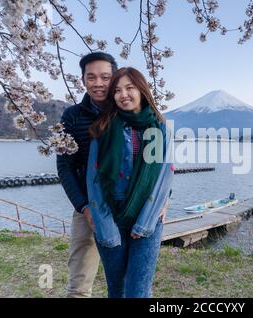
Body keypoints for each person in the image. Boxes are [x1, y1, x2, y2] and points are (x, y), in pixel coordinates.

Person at [87, 67, 173, 298]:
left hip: (147, 215)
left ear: (141, 90)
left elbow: (162, 176)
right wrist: (105, 227)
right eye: (117, 90)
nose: (123, 94)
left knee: (138, 290)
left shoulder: (158, 128)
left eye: (129, 88)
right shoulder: (103, 128)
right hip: (110, 215)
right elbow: (94, 181)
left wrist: (145, 222)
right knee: (117, 288)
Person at [57, 52, 118, 298]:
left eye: (105, 77)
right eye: (91, 77)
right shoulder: (72, 116)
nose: (98, 83)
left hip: (123, 204)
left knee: (125, 278)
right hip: (87, 205)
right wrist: (84, 207)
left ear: (114, 78)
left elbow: (154, 160)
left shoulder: (127, 109)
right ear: (83, 81)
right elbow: (65, 166)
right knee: (79, 282)